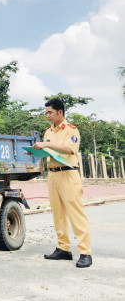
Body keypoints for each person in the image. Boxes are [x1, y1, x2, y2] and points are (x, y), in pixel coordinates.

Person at [32, 98, 92, 268]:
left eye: (50, 112)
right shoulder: (48, 131)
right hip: (53, 175)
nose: (48, 116)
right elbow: (49, 150)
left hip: (68, 174)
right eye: (46, 113)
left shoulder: (71, 130)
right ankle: (63, 248)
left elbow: (70, 149)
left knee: (75, 213)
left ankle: (85, 252)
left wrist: (45, 144)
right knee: (58, 214)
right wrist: (39, 151)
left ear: (60, 112)